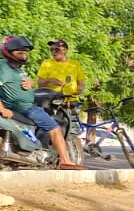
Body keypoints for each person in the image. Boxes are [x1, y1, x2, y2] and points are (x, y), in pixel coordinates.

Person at [0, 35, 84, 168]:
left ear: (65, 50)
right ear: (8, 52)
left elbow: (22, 83)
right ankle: (66, 161)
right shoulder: (3, 67)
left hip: (36, 104)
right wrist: (2, 108)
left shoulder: (16, 68)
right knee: (55, 127)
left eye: (25, 52)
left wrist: (30, 83)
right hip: (25, 108)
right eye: (20, 52)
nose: (24, 55)